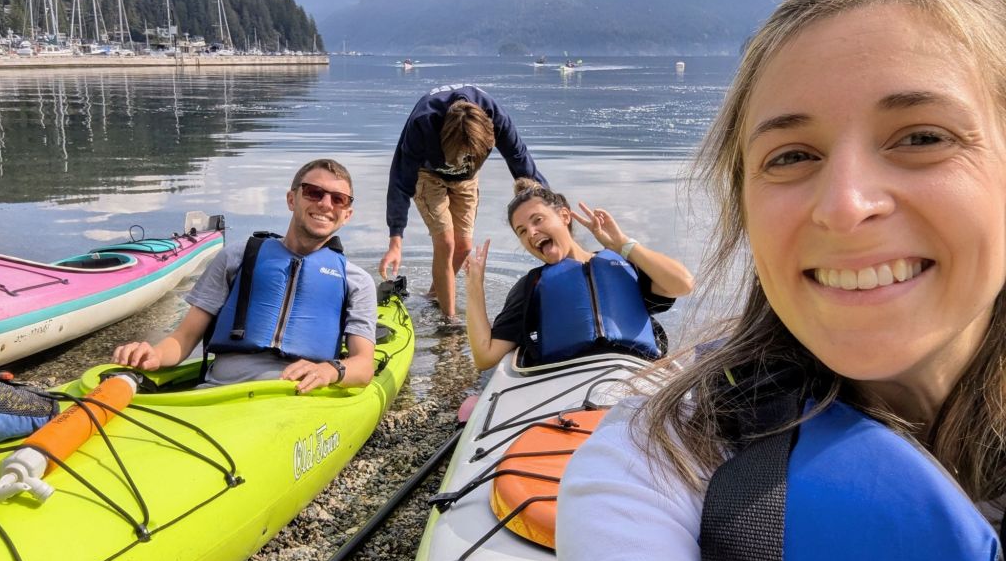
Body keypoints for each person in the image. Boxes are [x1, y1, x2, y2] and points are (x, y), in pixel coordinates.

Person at [557, 0, 1006, 561]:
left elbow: (677, 285)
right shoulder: (659, 456)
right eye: (792, 156)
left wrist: (622, 246)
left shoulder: (613, 264)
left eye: (922, 137)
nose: (844, 206)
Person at [112, 159, 377, 394]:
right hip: (220, 390)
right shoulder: (236, 257)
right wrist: (153, 354)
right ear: (291, 199)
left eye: (338, 199)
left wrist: (330, 371)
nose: (325, 204)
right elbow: (185, 337)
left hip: (298, 397)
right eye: (313, 192)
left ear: (347, 214)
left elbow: (363, 367)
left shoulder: (357, 282)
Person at [465, 179, 694, 369]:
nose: (532, 232)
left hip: (633, 374)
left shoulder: (626, 266)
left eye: (538, 220)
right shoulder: (531, 287)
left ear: (565, 216)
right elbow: (485, 357)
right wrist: (474, 286)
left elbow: (683, 284)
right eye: (522, 231)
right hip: (567, 385)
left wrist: (623, 245)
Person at [380, 84, 548, 318]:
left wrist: (550, 210)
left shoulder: (495, 117)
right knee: (446, 243)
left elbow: (521, 162)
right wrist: (395, 240)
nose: (459, 161)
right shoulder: (423, 121)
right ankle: (448, 322)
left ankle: (433, 297)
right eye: (458, 156)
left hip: (467, 178)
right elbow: (400, 179)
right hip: (428, 174)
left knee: (463, 246)